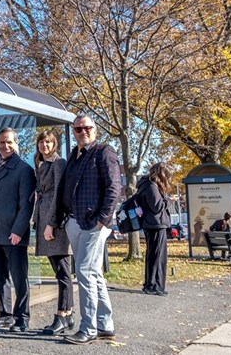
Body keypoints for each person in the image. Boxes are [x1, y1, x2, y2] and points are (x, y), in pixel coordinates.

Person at [54, 115, 122, 345]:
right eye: (78, 128)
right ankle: (105, 325)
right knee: (93, 273)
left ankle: (88, 328)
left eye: (87, 127)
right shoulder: (74, 155)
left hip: (94, 224)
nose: (82, 131)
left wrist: (102, 219)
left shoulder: (104, 152)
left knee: (83, 272)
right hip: (74, 222)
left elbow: (114, 188)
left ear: (95, 130)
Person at [0, 128, 35, 332]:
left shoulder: (24, 169)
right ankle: (4, 314)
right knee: (0, 276)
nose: (6, 146)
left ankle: (22, 317)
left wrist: (19, 230)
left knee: (19, 277)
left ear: (16, 144)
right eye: (2, 142)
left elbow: (26, 205)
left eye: (10, 142)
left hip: (14, 233)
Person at [32, 129, 74, 335]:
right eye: (41, 142)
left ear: (54, 144)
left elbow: (59, 193)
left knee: (63, 272)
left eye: (48, 143)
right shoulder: (40, 163)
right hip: (44, 218)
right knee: (60, 271)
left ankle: (61, 315)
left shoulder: (59, 163)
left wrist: (51, 223)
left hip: (54, 223)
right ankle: (69, 315)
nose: (44, 146)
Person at [137, 162, 172, 296]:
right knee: (157, 256)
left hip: (152, 224)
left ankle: (151, 284)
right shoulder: (151, 187)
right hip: (156, 224)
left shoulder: (147, 185)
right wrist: (168, 200)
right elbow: (156, 206)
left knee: (153, 255)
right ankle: (154, 285)